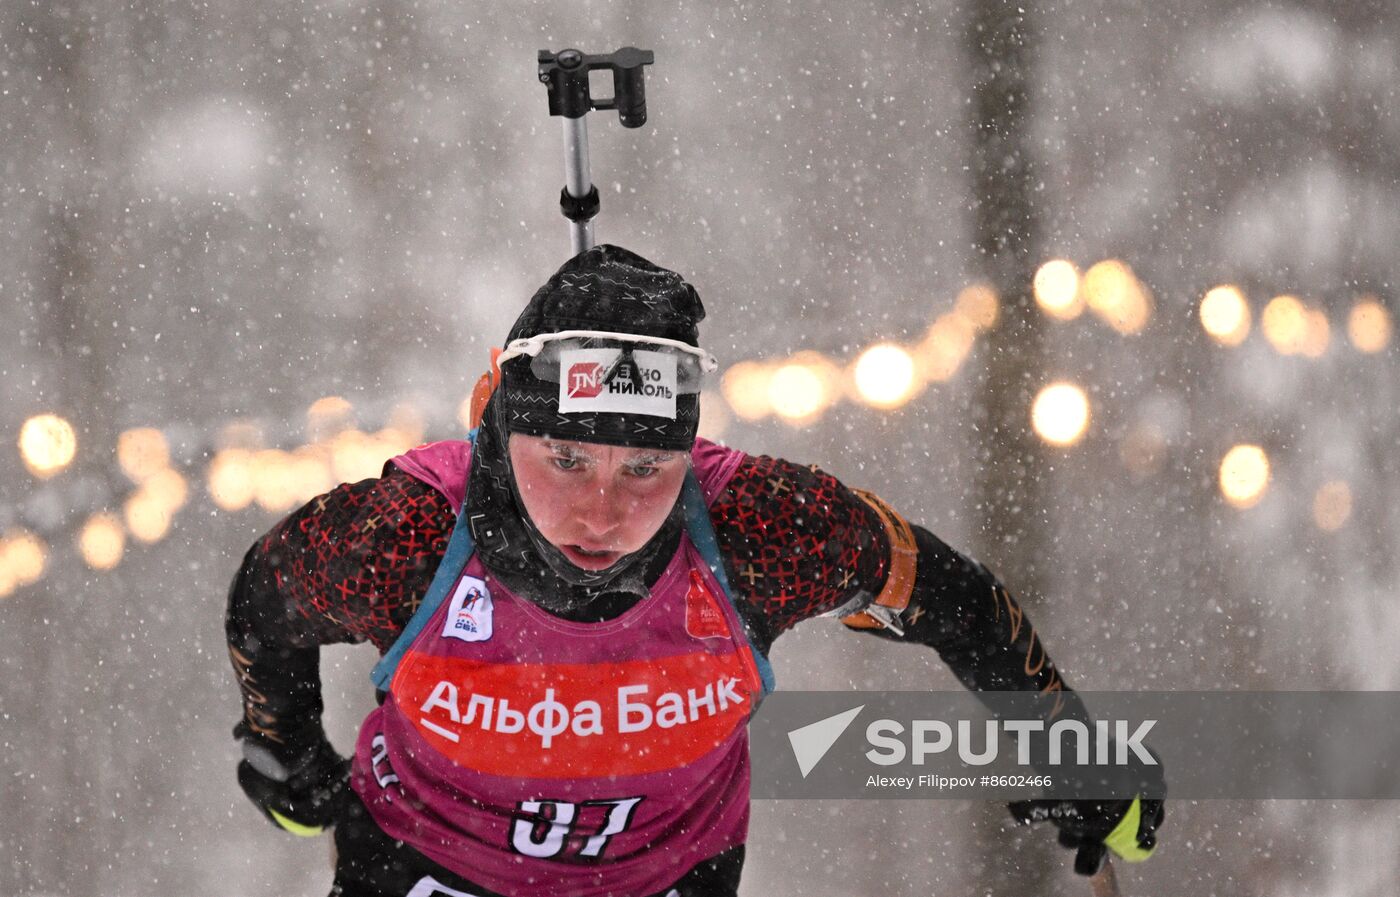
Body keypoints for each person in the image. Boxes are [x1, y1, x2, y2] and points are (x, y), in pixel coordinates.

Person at [226, 245, 1164, 897]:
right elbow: (264, 601)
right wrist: (288, 751)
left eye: (645, 468)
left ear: (689, 453)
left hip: (668, 875)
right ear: (496, 422)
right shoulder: (406, 534)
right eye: (566, 460)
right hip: (424, 864)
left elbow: (951, 598)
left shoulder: (758, 527)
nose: (603, 510)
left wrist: (1067, 744)